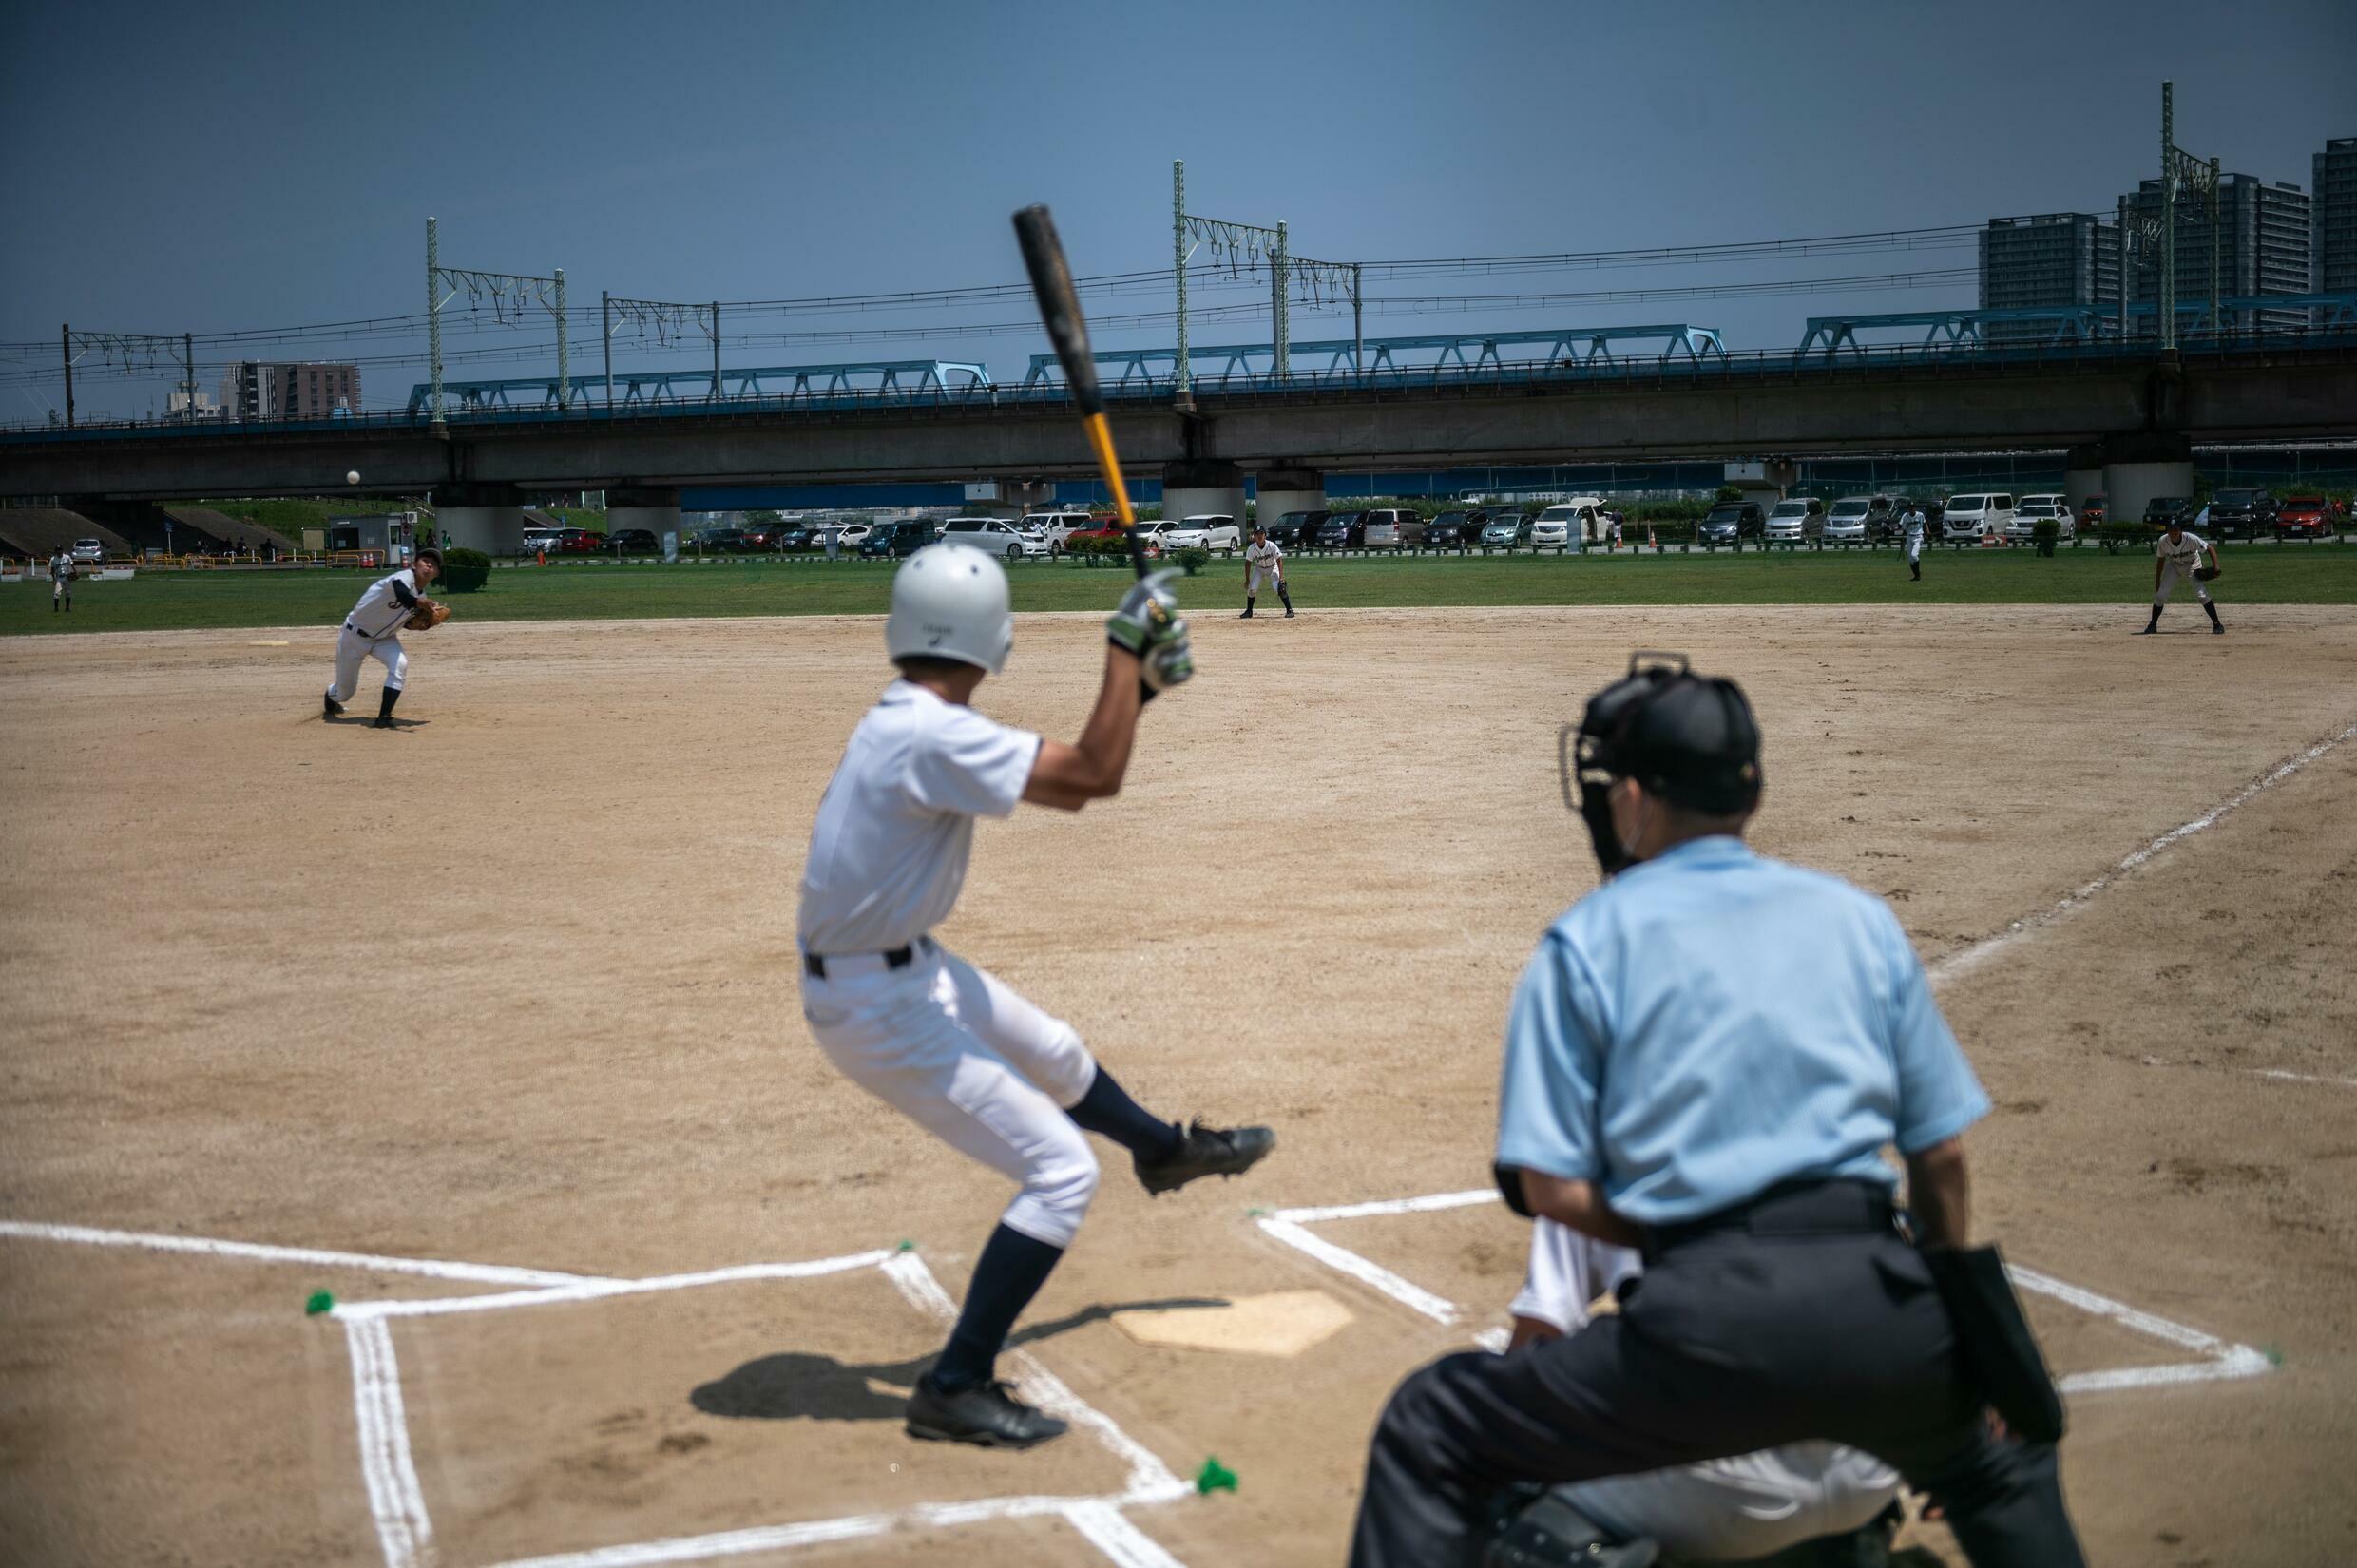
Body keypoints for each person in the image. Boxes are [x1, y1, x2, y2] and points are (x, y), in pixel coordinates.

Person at [1348, 655, 2083, 1568]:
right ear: (1753, 791)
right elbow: (1942, 1164)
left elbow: (1549, 1188)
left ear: (1636, 800)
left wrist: (1688, 1225)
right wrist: (1969, 1347)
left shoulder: (1587, 940)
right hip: (1885, 1317)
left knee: (1433, 1421)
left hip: (1711, 1333)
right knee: (1999, 1471)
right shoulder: (1856, 917)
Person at [795, 543, 1274, 1450]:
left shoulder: (906, 718)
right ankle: (954, 1384)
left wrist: (1140, 688)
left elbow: (1090, 760)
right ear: (994, 641)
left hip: (901, 967)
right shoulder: (933, 734)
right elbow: (1094, 776)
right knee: (1060, 1174)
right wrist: (1126, 655)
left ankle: (1165, 1152)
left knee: (1054, 1049)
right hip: (874, 1005)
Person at [1498, 1219, 1903, 1566]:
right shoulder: (1838, 1144)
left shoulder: (1600, 1158)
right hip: (1874, 1467)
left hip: (1732, 1495)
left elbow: (1536, 1346)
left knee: (1503, 1490)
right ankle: (1844, 1546)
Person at [324, 547, 443, 728]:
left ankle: (383, 718)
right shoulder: (402, 578)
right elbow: (402, 594)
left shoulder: (422, 598)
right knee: (345, 693)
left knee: (400, 664)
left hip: (384, 639)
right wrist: (419, 604)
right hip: (354, 635)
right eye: (425, 560)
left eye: (434, 565)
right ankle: (331, 695)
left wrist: (420, 625)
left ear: (437, 573)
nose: (429, 565)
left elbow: (404, 622)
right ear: (414, 564)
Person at [2140, 518, 2223, 635]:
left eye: (2176, 530)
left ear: (2181, 530)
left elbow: (2210, 548)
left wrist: (2216, 567)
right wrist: (2157, 580)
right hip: (2174, 565)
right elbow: (2161, 559)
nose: (2173, 532)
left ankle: (2217, 624)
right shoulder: (2163, 541)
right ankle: (2152, 625)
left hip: (2192, 564)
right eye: (2170, 529)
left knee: (2201, 595)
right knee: (2161, 595)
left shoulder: (2191, 539)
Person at [1240, 523, 1294, 619]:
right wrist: (1247, 579)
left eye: (1261, 533)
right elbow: (1247, 563)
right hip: (1259, 569)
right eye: (1257, 534)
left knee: (1278, 587)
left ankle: (1289, 610)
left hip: (1272, 567)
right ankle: (1249, 611)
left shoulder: (1272, 546)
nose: (1259, 536)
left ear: (1265, 535)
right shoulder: (1251, 548)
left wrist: (1281, 577)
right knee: (1252, 589)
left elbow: (1279, 560)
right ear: (1254, 536)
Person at [1902, 502, 1927, 581]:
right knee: (1910, 560)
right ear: (1908, 508)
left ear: (1915, 508)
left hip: (1918, 536)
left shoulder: (1920, 515)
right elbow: (1902, 526)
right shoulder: (1905, 516)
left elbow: (1925, 523)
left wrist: (1928, 533)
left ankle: (1918, 574)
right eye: (1910, 507)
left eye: (1913, 507)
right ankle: (1916, 576)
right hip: (1909, 537)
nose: (1911, 509)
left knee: (1914, 555)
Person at [49, 547, 76, 613]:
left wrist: (76, 571)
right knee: (56, 593)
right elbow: (52, 570)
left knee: (68, 593)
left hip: (67, 577)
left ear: (62, 550)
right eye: (57, 550)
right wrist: (53, 579)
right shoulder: (53, 559)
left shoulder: (67, 557)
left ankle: (67, 608)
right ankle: (56, 608)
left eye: (60, 550)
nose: (59, 551)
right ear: (55, 551)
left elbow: (72, 564)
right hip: (59, 578)